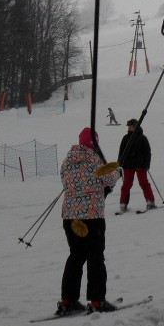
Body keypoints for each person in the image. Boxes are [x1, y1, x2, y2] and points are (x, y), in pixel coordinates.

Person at [57, 127, 119, 315]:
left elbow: (66, 183)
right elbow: (109, 178)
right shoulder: (94, 160)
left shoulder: (67, 161)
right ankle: (97, 300)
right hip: (92, 217)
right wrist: (119, 171)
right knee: (95, 257)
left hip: (71, 218)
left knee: (76, 256)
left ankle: (68, 300)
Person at [117, 119, 156, 213]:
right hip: (128, 165)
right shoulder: (125, 138)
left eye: (130, 126)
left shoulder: (142, 138)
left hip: (140, 164)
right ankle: (123, 204)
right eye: (128, 126)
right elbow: (121, 152)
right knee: (127, 184)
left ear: (135, 126)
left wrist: (147, 164)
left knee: (143, 183)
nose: (129, 128)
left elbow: (147, 153)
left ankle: (150, 202)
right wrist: (120, 163)